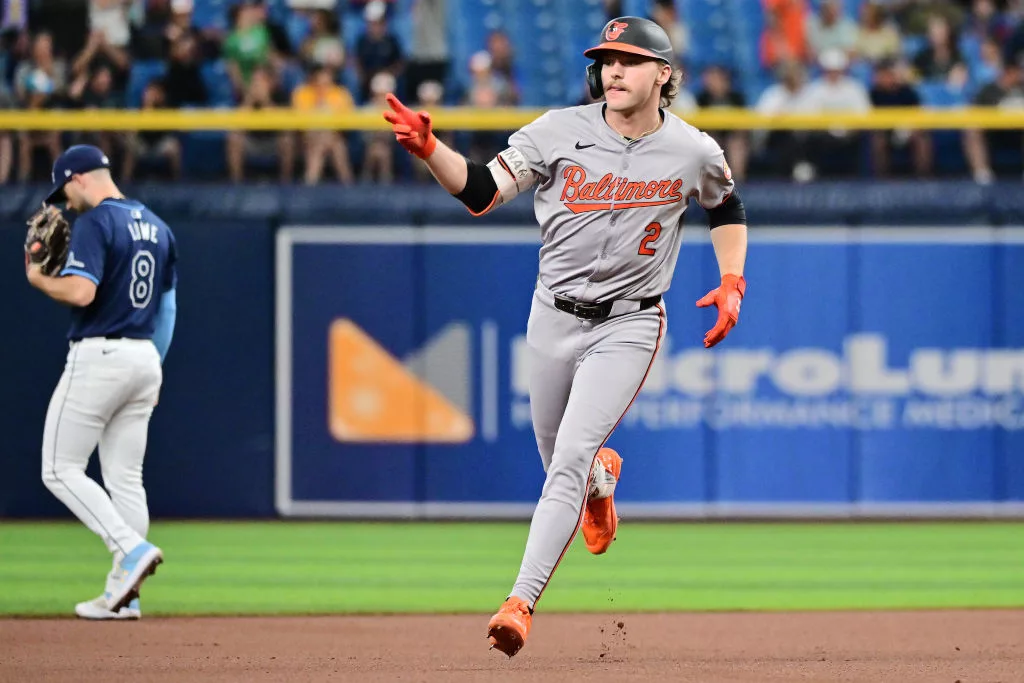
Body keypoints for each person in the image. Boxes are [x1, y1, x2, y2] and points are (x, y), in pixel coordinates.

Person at [382, 16, 749, 657]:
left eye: (630, 60)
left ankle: (518, 602)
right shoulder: (557, 131)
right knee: (563, 460)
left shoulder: (693, 149)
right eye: (607, 59)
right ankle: (602, 486)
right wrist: (431, 151)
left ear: (663, 74)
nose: (614, 70)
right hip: (552, 315)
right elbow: (481, 192)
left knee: (567, 460)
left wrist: (732, 280)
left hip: (631, 320)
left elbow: (724, 204)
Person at [25, 144, 176, 620]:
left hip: (101, 355)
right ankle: (121, 595)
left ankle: (130, 550)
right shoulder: (159, 226)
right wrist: (156, 361)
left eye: (65, 190)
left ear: (79, 177)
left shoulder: (97, 222)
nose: (66, 204)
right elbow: (168, 308)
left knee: (58, 467)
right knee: (125, 478)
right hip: (144, 356)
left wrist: (37, 278)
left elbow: (81, 290)